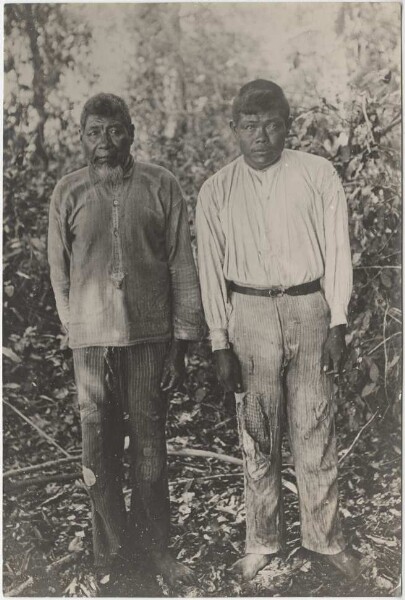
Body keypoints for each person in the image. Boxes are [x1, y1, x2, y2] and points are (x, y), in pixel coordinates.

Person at [196, 80, 361, 582]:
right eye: (249, 126)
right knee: (258, 433)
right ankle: (263, 541)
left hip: (310, 307)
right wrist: (220, 341)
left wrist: (338, 320)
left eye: (270, 124)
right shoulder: (217, 190)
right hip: (249, 313)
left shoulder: (317, 174)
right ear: (234, 130)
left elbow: (337, 249)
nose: (261, 136)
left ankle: (324, 540)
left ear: (287, 125)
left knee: (315, 427)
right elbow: (210, 268)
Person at [48, 93, 204, 587]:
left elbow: (182, 265)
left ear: (132, 133)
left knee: (151, 449)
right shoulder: (67, 192)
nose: (105, 143)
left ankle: (156, 550)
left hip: (149, 339)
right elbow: (60, 273)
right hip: (92, 346)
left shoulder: (162, 185)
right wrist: (77, 333)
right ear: (81, 138)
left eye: (115, 131)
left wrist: (180, 346)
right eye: (94, 132)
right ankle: (109, 556)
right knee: (98, 449)